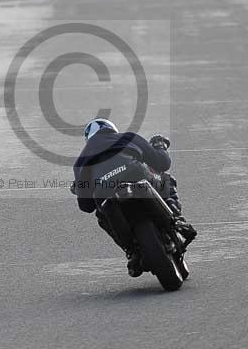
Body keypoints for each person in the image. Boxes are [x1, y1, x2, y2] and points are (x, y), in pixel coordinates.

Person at [72, 118, 197, 277]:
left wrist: (79, 188)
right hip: (135, 175)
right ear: (112, 129)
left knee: (101, 214)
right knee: (166, 180)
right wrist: (160, 145)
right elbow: (162, 163)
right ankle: (178, 221)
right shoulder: (127, 137)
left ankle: (131, 251)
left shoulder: (80, 161)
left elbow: (85, 206)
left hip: (105, 191)